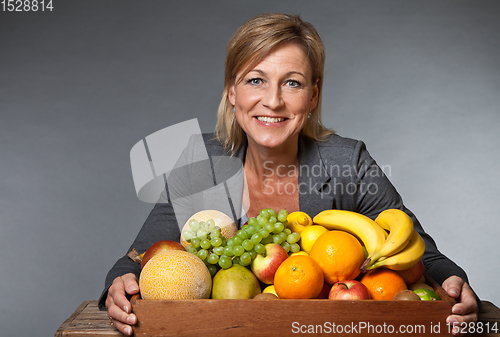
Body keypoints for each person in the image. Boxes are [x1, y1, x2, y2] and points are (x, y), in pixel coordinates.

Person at [100, 13, 479, 336]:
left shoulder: (349, 161)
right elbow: (137, 258)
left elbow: (422, 254)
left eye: (292, 83)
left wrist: (451, 280)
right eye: (255, 80)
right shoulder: (200, 162)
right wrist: (118, 285)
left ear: (313, 96)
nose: (274, 100)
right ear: (232, 91)